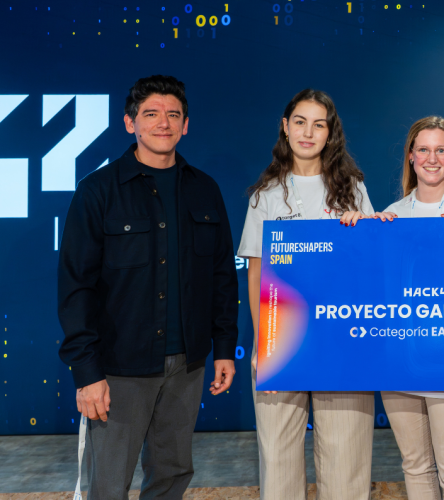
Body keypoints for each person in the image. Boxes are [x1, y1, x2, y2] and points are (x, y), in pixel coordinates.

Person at [57, 75, 239, 498]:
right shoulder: (97, 192)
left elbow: (221, 276)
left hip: (187, 366)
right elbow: (75, 287)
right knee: (107, 484)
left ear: (185, 125)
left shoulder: (205, 189)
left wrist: (224, 347)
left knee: (172, 476)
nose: (163, 123)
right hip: (118, 368)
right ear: (130, 123)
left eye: (173, 114)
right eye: (151, 113)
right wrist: (87, 373)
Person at [238, 89, 375, 500]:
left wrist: (363, 231)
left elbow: (370, 263)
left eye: (319, 124)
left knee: (346, 463)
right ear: (285, 126)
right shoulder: (265, 194)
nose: (308, 132)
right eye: (300, 122)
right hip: (283, 342)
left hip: (342, 339)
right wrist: (264, 344)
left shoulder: (353, 189)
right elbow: (257, 273)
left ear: (330, 132)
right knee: (278, 463)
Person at [371, 116, 444, 499]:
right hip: (400, 356)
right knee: (415, 465)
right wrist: (369, 234)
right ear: (410, 156)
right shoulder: (391, 214)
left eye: (441, 150)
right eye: (423, 149)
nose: (432, 158)